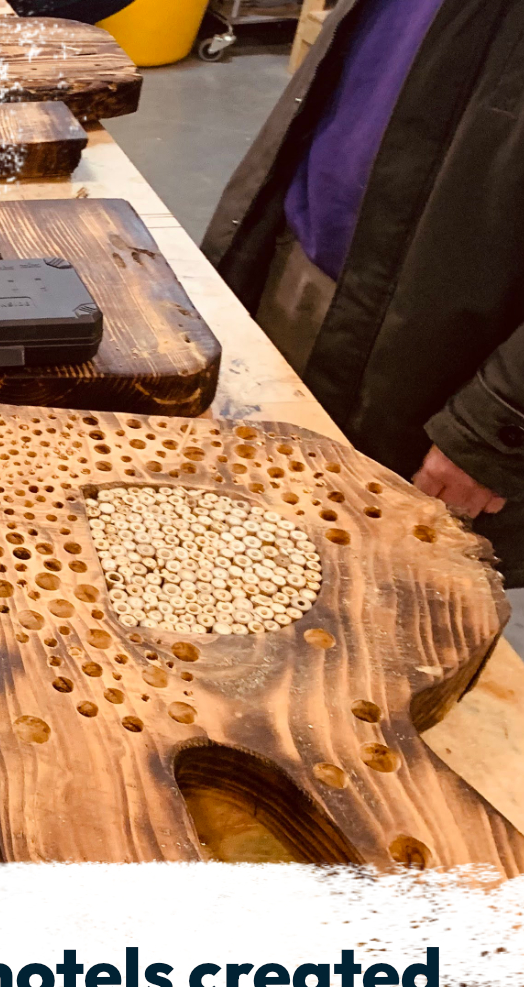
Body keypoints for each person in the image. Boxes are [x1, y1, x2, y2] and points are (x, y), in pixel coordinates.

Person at [202, 0, 524, 586]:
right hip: (298, 271)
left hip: (437, 368)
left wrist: (497, 423)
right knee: (236, 553)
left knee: (370, 607)